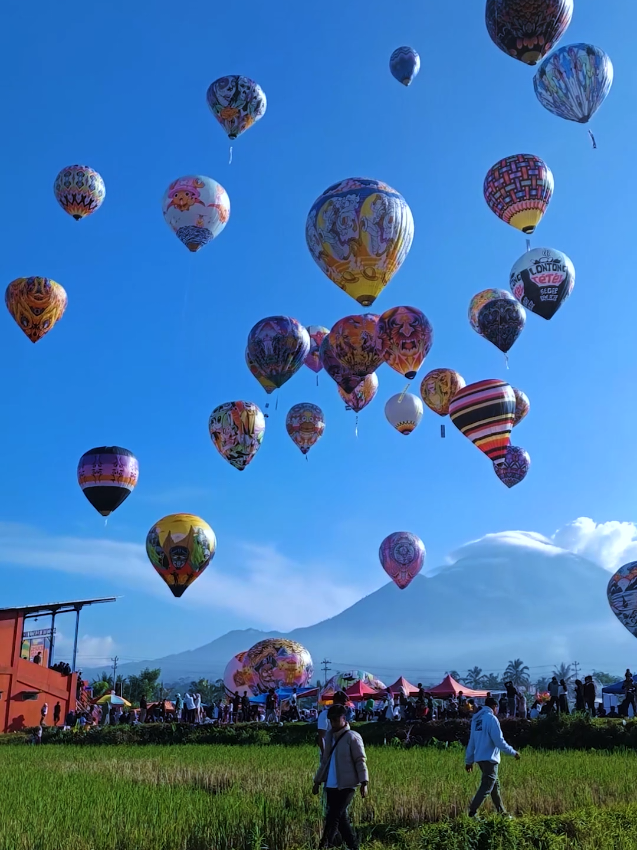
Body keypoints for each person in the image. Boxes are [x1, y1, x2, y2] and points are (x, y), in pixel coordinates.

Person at [313, 703, 368, 850]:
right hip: (331, 785)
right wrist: (317, 781)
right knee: (341, 819)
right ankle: (353, 847)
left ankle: (323, 846)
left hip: (347, 785)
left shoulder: (352, 737)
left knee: (333, 817)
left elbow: (360, 760)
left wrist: (364, 782)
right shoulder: (329, 737)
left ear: (344, 718)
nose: (334, 723)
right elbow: (325, 761)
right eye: (331, 720)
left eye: (336, 720)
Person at [465, 697, 520, 819]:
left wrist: (469, 761)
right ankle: (472, 812)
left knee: (494, 786)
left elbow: (471, 742)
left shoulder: (476, 720)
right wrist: (513, 752)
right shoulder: (491, 719)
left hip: (480, 759)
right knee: (487, 785)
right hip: (490, 759)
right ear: (494, 707)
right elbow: (499, 741)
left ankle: (502, 813)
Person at [317, 691, 347, 755]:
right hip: (328, 752)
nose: (343, 706)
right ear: (335, 701)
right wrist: (325, 755)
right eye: (342, 704)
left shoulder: (342, 717)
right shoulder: (324, 715)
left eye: (344, 705)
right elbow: (321, 737)